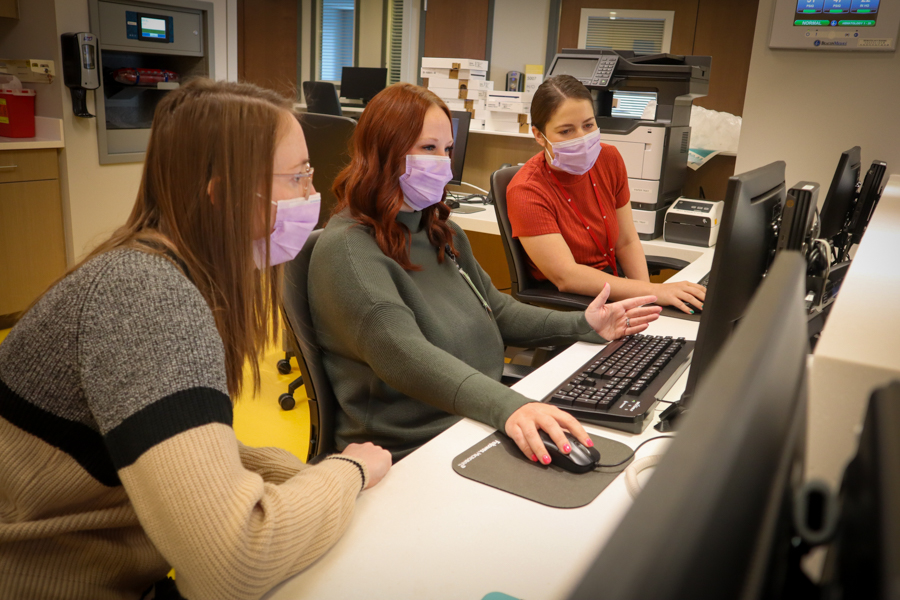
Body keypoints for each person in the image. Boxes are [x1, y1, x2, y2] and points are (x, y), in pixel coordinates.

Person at [0, 79, 391, 600]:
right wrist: (347, 473)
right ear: (224, 195)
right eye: (297, 177)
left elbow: (187, 450)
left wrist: (306, 478)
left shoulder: (157, 271)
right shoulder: (146, 297)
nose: (311, 196)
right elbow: (231, 565)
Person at [308, 82, 661, 465]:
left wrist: (586, 324)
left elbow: (501, 312)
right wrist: (509, 407)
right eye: (428, 148)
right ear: (383, 153)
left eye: (447, 150)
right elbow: (404, 355)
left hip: (478, 418)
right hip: (416, 448)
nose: (442, 163)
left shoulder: (441, 231)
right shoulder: (348, 251)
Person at [507, 75, 706, 314]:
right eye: (566, 130)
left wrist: (649, 299)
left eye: (588, 125)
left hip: (616, 291)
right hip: (574, 306)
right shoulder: (527, 190)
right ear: (539, 135)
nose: (581, 138)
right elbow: (566, 276)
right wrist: (652, 292)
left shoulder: (608, 158)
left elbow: (626, 241)